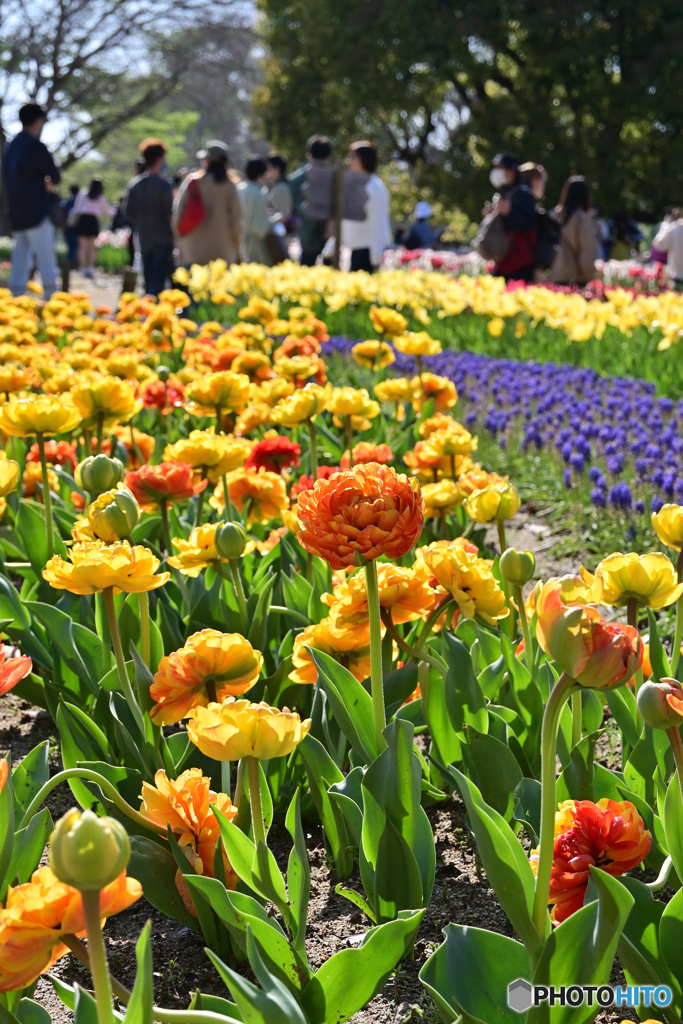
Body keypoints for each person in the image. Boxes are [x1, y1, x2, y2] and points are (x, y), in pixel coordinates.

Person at [3, 102, 61, 299]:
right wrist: (46, 181)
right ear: (38, 121)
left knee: (20, 260)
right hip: (37, 213)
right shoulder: (34, 145)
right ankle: (52, 301)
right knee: (46, 260)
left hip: (18, 213)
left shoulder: (10, 147)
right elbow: (55, 175)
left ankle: (15, 302)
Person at [173, 140, 242, 268]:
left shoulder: (193, 182)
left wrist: (179, 238)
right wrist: (236, 247)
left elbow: (178, 215)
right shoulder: (230, 187)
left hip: (192, 252)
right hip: (223, 255)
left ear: (207, 161)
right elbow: (236, 221)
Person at [124, 138, 174, 296]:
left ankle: (146, 310)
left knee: (147, 281)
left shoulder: (135, 185)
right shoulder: (164, 185)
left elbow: (128, 213)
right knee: (159, 282)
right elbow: (169, 215)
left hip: (144, 238)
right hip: (163, 240)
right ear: (159, 159)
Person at [486, 152, 537, 282]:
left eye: (500, 168)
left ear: (512, 171)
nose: (496, 172)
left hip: (520, 261)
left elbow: (529, 224)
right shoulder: (504, 192)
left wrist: (509, 212)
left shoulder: (523, 192)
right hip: (504, 259)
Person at [342, 140, 392, 272]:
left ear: (364, 159)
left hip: (367, 252)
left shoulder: (375, 187)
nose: (349, 161)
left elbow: (379, 222)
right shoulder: (355, 185)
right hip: (356, 249)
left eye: (353, 157)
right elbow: (346, 221)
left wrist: (376, 257)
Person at [289, 135, 332, 265]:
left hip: (306, 236)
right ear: (329, 157)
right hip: (329, 237)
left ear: (309, 155)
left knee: (304, 278)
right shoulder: (335, 179)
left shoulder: (295, 179)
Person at [549, 176, 600, 285]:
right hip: (573, 277)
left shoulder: (552, 215)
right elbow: (587, 254)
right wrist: (593, 279)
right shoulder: (581, 218)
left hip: (552, 275)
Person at [73, 179, 115, 278]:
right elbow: (108, 212)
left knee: (83, 247)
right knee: (91, 247)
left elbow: (77, 208)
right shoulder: (100, 198)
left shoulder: (83, 195)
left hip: (83, 220)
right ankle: (90, 268)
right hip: (93, 221)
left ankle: (83, 268)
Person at [237, 158, 272, 265]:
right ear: (261, 174)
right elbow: (260, 228)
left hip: (237, 241)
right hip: (254, 244)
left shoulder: (238, 188)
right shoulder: (259, 193)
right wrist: (274, 222)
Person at [266, 152, 293, 259]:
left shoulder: (281, 188)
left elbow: (284, 215)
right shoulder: (278, 186)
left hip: (280, 238)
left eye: (268, 168)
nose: (266, 172)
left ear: (277, 169)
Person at [652, 212, 683, 286]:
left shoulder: (675, 228)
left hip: (678, 276)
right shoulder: (676, 227)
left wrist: (666, 224)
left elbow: (659, 245)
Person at [61, 184, 80, 268]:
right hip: (77, 228)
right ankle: (73, 264)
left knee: (70, 246)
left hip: (68, 227)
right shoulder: (79, 201)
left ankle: (70, 263)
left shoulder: (67, 201)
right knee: (76, 246)